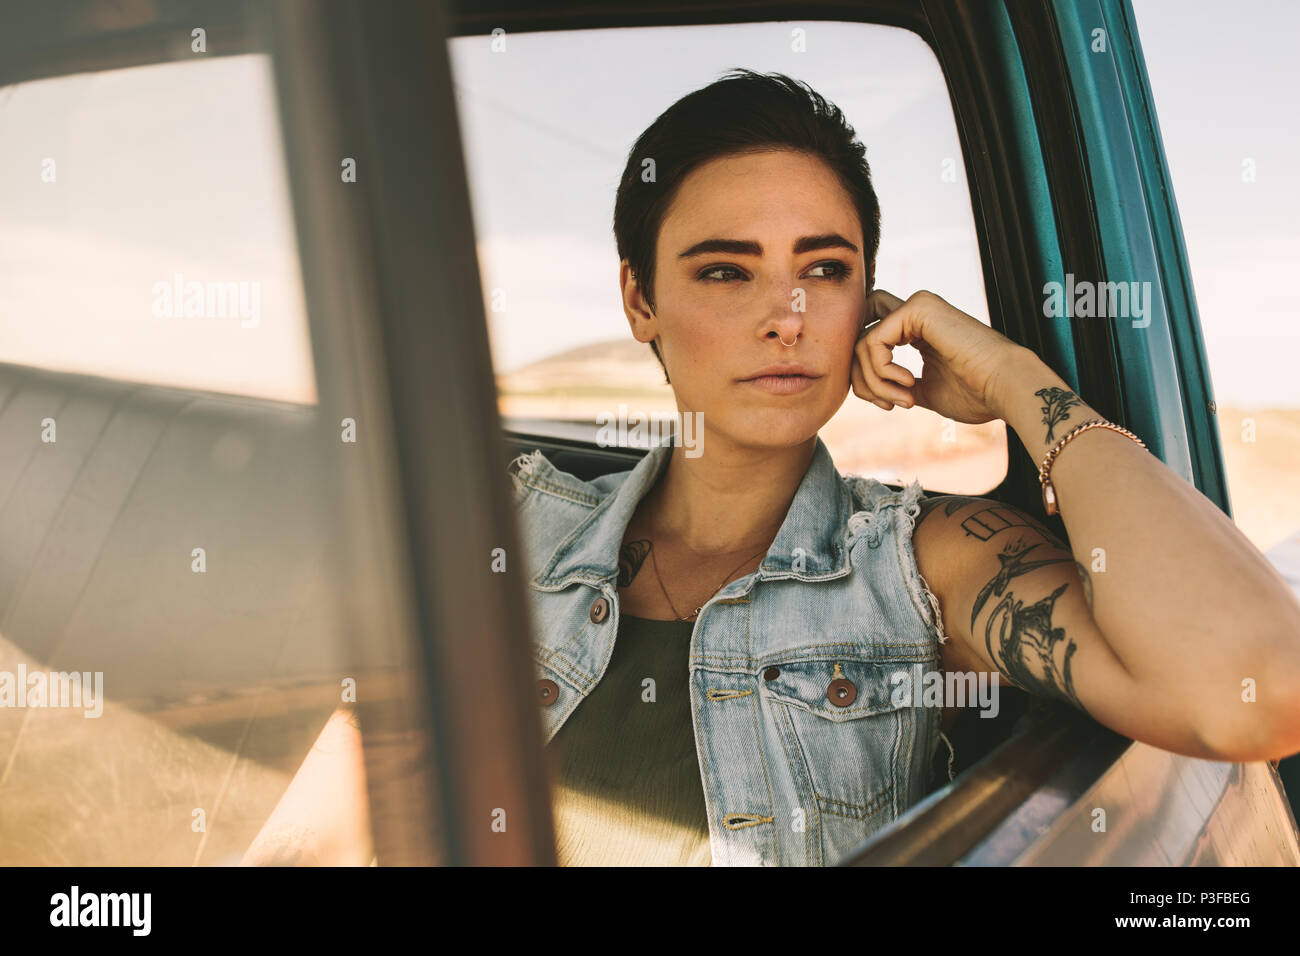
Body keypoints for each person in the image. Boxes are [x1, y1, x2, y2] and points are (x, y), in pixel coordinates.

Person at [249, 68, 1300, 868]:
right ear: (639, 300)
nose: (785, 316)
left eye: (824, 270)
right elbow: (325, 828)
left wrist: (1019, 381)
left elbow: (1255, 691)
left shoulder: (919, 563)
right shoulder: (504, 524)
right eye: (724, 269)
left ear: (870, 304)